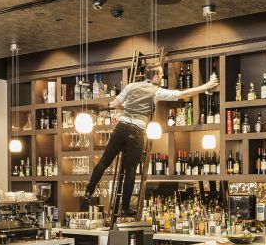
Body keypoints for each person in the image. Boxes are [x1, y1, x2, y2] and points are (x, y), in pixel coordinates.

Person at [82, 65, 219, 216]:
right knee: (130, 170)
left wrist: (121, 109)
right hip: (136, 131)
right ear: (154, 76)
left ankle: (88, 192)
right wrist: (206, 86)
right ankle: (125, 208)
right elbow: (181, 94)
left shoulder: (131, 86)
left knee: (103, 162)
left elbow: (114, 104)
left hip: (121, 128)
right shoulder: (156, 91)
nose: (162, 77)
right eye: (160, 74)